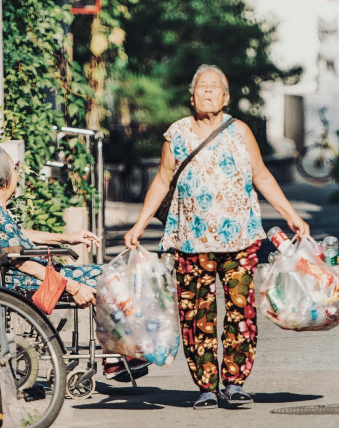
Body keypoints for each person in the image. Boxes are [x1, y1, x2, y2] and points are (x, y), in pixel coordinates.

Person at [124, 64, 309, 409]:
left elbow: (262, 176)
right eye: (201, 87)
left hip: (239, 240)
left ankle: (235, 383)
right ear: (192, 96)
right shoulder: (176, 134)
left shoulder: (239, 131)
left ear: (226, 97)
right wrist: (139, 225)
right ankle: (207, 386)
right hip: (190, 241)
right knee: (196, 315)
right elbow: (162, 180)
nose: (207, 92)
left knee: (242, 312)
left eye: (214, 87)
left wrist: (292, 216)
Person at [0, 144, 150, 382]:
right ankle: (116, 356)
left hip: (35, 275)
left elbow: (19, 236)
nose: (17, 172)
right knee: (112, 277)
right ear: (3, 178)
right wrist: (73, 287)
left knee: (111, 272)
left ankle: (118, 353)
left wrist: (67, 237)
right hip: (31, 280)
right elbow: (19, 261)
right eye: (15, 168)